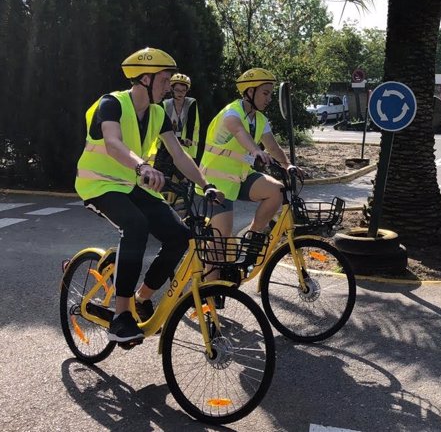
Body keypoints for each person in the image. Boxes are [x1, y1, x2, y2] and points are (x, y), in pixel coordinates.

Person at [74, 47, 223, 345]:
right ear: (145, 78)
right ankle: (120, 315)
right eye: (165, 79)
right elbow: (114, 143)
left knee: (180, 236)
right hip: (99, 184)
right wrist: (142, 166)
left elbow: (179, 155)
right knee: (136, 225)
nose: (169, 85)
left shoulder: (157, 113)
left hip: (133, 184)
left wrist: (205, 184)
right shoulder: (111, 104)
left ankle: (143, 297)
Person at [197, 67, 301, 245]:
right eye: (265, 93)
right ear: (250, 92)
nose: (269, 99)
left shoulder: (260, 119)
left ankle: (252, 237)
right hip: (216, 183)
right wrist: (255, 151)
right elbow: (238, 130)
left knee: (276, 191)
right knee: (220, 246)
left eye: (270, 94)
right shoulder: (231, 112)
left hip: (240, 177)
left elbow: (274, 148)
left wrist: (288, 165)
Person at [150, 73, 200, 178]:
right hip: (166, 143)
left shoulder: (191, 103)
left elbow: (191, 122)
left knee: (183, 179)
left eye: (183, 90)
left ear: (187, 91)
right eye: (177, 90)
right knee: (162, 173)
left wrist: (188, 138)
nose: (180, 93)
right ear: (172, 89)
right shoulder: (165, 104)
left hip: (184, 145)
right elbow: (161, 124)